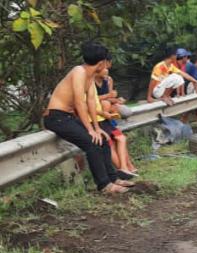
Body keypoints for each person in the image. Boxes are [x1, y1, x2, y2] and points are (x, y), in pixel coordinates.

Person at [43, 42, 133, 194]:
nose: (106, 66)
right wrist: (90, 130)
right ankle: (104, 185)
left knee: (102, 139)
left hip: (68, 117)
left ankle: (113, 178)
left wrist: (97, 128)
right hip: (56, 117)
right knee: (92, 143)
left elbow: (91, 101)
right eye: (105, 62)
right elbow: (79, 102)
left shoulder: (89, 75)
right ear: (101, 63)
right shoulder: (79, 71)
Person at [93, 62, 138, 177]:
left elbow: (110, 97)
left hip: (106, 118)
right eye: (104, 68)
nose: (107, 70)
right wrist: (108, 99)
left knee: (120, 139)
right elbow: (90, 102)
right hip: (98, 119)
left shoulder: (107, 80)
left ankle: (127, 167)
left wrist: (116, 100)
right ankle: (123, 169)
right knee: (113, 142)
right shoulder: (90, 83)